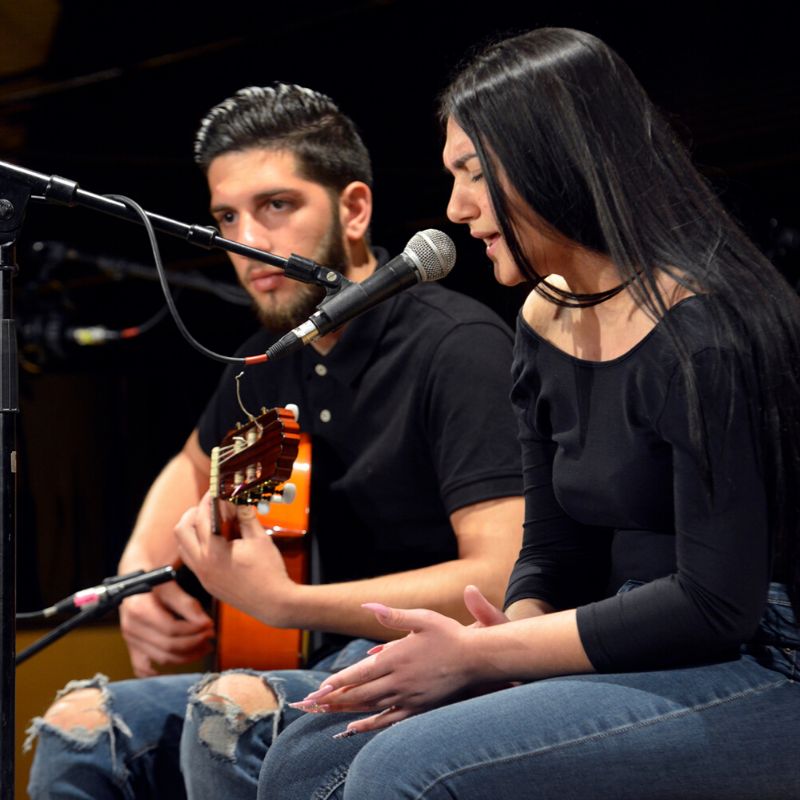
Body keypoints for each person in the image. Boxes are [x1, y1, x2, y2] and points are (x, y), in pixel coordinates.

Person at [256, 28, 800, 799]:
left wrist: (492, 658)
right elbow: (551, 548)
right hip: (617, 635)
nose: (455, 208)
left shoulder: (705, 331)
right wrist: (509, 628)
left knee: (404, 769)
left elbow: (715, 603)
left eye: (473, 173)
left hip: (757, 659)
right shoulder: (542, 319)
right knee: (307, 754)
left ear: (556, 159)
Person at [25, 83, 524, 799]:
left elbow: (501, 575)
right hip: (308, 673)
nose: (247, 242)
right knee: (82, 723)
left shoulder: (454, 345)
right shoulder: (270, 358)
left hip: (437, 673)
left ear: (354, 208)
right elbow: (190, 468)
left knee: (229, 710)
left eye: (277, 207)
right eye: (226, 216)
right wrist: (137, 574)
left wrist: (285, 603)